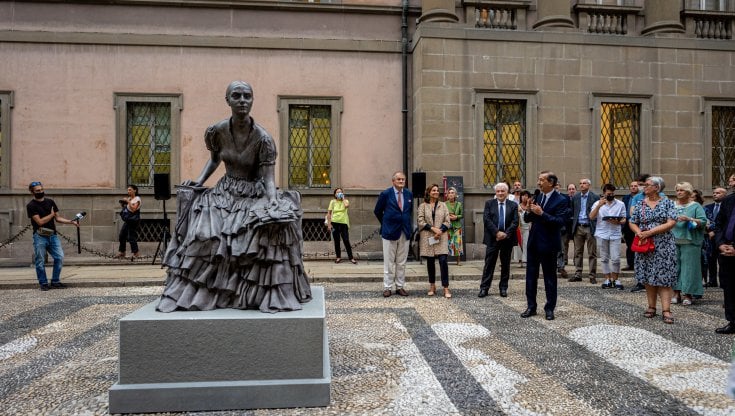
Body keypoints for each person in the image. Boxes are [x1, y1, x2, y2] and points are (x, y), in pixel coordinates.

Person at [156, 81, 312, 313]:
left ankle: (248, 291)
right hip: (224, 192)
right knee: (204, 233)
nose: (242, 100)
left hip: (253, 191)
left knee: (253, 234)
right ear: (227, 100)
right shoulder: (217, 131)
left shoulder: (264, 139)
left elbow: (269, 179)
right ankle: (204, 289)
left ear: (252, 100)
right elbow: (215, 160)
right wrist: (199, 182)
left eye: (247, 96)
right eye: (236, 96)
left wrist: (272, 200)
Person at [521, 171, 570, 321]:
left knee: (549, 278)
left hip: (549, 244)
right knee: (530, 277)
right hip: (534, 243)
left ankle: (549, 308)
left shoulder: (561, 200)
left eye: (541, 180)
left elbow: (560, 222)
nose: (538, 183)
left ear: (551, 183)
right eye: (538, 179)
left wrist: (542, 213)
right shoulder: (538, 196)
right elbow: (528, 218)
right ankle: (531, 306)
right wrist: (529, 210)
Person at [628, 176, 678, 324]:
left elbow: (671, 222)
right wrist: (638, 232)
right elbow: (632, 222)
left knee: (664, 278)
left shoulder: (668, 203)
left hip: (663, 245)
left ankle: (666, 310)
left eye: (648, 185)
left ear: (657, 187)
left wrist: (650, 232)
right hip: (645, 244)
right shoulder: (641, 204)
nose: (644, 187)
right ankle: (651, 307)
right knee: (648, 276)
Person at [26, 181, 79, 291]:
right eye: (37, 191)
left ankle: (55, 281)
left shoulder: (50, 202)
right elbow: (40, 222)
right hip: (40, 235)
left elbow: (58, 218)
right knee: (40, 260)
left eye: (41, 189)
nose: (40, 192)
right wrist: (51, 214)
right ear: (32, 192)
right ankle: (43, 283)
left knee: (59, 257)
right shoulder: (31, 205)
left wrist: (71, 221)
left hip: (52, 235)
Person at [374, 171, 413, 297]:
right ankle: (387, 287)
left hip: (404, 231)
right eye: (399, 179)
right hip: (389, 232)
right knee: (389, 262)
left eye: (403, 179)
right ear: (393, 181)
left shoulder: (409, 194)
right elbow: (377, 211)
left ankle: (400, 286)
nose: (401, 181)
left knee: (401, 262)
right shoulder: (386, 194)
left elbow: (409, 212)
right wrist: (386, 223)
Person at [479, 182, 518, 298]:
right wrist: (497, 232)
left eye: (503, 191)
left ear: (507, 192)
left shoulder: (513, 205)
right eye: (498, 191)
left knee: (505, 264)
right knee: (489, 264)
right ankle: (484, 288)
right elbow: (486, 219)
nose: (500, 193)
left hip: (507, 239)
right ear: (495, 193)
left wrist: (505, 234)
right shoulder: (489, 204)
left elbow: (515, 222)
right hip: (493, 238)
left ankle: (503, 288)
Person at [670, 182, 706, 306]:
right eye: (677, 190)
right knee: (675, 267)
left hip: (690, 242)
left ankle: (688, 294)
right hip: (673, 240)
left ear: (688, 193)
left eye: (682, 190)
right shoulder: (671, 205)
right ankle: (676, 293)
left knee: (690, 268)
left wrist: (689, 219)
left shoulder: (695, 206)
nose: (679, 192)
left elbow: (703, 221)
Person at [589, 184, 627, 290]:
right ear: (604, 193)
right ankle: (607, 279)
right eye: (608, 193)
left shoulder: (620, 204)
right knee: (604, 258)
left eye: (612, 193)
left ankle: (615, 279)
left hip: (615, 233)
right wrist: (598, 206)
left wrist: (617, 221)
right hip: (602, 233)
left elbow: (624, 219)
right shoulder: (597, 203)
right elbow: (591, 217)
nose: (610, 195)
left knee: (616, 258)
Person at [418, 184, 451, 298]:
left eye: (437, 190)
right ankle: (432, 285)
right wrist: (433, 229)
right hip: (428, 237)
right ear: (429, 192)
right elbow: (420, 221)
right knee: (430, 262)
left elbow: (448, 221)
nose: (436, 192)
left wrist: (440, 231)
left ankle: (446, 287)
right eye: (434, 190)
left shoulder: (443, 205)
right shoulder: (423, 206)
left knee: (443, 261)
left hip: (441, 237)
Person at [570, 178, 599, 283]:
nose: (582, 185)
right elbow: (572, 211)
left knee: (592, 252)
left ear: (589, 185)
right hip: (578, 227)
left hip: (589, 227)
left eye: (584, 183)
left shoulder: (595, 197)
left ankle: (592, 276)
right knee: (578, 252)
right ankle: (578, 274)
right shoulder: (576, 197)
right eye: (580, 183)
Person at [714, 190, 735, 334]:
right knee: (730, 287)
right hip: (726, 249)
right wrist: (720, 243)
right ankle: (733, 321)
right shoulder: (728, 200)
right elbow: (719, 223)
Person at [327, 187, 356, 264]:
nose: (339, 193)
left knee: (346, 240)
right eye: (337, 192)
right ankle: (338, 257)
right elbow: (329, 213)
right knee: (336, 241)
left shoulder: (345, 201)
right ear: (335, 194)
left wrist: (342, 199)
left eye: (340, 192)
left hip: (344, 223)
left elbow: (346, 206)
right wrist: (329, 224)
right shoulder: (332, 202)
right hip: (334, 223)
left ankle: (351, 258)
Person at [704, 187, 727, 288]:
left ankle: (723, 282)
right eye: (714, 193)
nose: (715, 194)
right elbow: (703, 220)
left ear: (724, 195)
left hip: (722, 238)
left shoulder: (727, 207)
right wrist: (708, 230)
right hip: (709, 239)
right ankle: (712, 281)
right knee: (710, 260)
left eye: (718, 193)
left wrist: (714, 230)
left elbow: (724, 222)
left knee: (722, 261)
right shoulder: (707, 207)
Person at [116, 184, 142, 260]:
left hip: (133, 220)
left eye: (130, 190)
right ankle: (122, 252)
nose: (128, 191)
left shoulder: (137, 199)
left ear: (135, 190)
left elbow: (134, 209)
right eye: (128, 190)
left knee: (131, 237)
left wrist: (128, 201)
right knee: (122, 235)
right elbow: (128, 209)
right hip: (128, 220)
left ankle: (136, 253)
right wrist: (124, 204)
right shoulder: (130, 198)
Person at [513, 190, 532, 267]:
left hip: (528, 227)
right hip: (519, 228)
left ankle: (525, 260)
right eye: (523, 195)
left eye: (527, 196)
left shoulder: (531, 206)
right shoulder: (517, 206)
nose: (525, 197)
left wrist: (528, 206)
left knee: (526, 244)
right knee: (518, 245)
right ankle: (520, 259)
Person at [445, 187, 464, 266]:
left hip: (457, 226)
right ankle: (445, 260)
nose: (451, 194)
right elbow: (442, 214)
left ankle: (458, 261)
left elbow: (462, 215)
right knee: (447, 243)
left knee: (457, 243)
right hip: (448, 226)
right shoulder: (444, 204)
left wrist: (456, 217)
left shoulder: (459, 204)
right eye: (449, 193)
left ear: (455, 195)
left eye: (452, 193)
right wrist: (448, 217)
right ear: (447, 195)